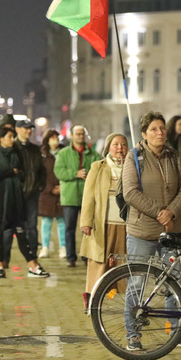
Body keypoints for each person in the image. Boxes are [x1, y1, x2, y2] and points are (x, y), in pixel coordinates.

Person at [122, 111, 181, 351]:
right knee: (137, 284)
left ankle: (177, 333)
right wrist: (159, 211)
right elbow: (130, 192)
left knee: (173, 281)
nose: (160, 133)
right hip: (142, 230)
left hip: (170, 230)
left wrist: (171, 212)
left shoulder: (174, 156)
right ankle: (133, 334)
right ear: (144, 134)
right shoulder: (135, 157)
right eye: (154, 129)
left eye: (162, 128)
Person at [0, 126, 49, 278]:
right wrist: (11, 172)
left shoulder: (16, 153)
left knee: (21, 231)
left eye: (13, 137)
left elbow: (22, 172)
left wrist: (16, 174)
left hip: (15, 197)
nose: (12, 140)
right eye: (9, 137)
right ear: (1, 138)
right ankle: (0, 266)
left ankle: (33, 265)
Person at [79, 133, 129, 310]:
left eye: (123, 144)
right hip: (103, 224)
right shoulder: (98, 167)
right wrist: (86, 222)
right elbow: (89, 196)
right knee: (98, 261)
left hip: (124, 225)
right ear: (108, 147)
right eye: (116, 144)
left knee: (121, 262)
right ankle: (91, 297)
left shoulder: (132, 168)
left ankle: (124, 300)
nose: (120, 148)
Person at [53, 124, 100, 267]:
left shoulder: (93, 154)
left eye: (82, 134)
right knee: (69, 228)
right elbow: (59, 171)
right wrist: (75, 174)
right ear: (71, 136)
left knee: (89, 228)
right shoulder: (63, 153)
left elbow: (99, 168)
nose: (80, 136)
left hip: (88, 197)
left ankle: (87, 256)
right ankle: (70, 257)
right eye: (77, 134)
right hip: (70, 197)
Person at [13, 119, 45, 264]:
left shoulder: (34, 149)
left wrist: (40, 186)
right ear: (17, 129)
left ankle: (33, 257)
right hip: (16, 194)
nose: (29, 131)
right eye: (25, 128)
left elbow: (41, 170)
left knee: (32, 227)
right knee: (14, 227)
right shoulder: (13, 147)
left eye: (30, 128)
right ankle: (5, 260)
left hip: (32, 193)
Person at [38, 129, 65, 259]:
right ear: (47, 140)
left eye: (57, 138)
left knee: (62, 221)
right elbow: (41, 174)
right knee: (46, 222)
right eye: (52, 138)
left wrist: (62, 187)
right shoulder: (42, 155)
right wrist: (49, 188)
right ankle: (45, 247)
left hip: (62, 192)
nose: (55, 141)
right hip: (46, 193)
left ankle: (63, 247)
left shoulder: (64, 152)